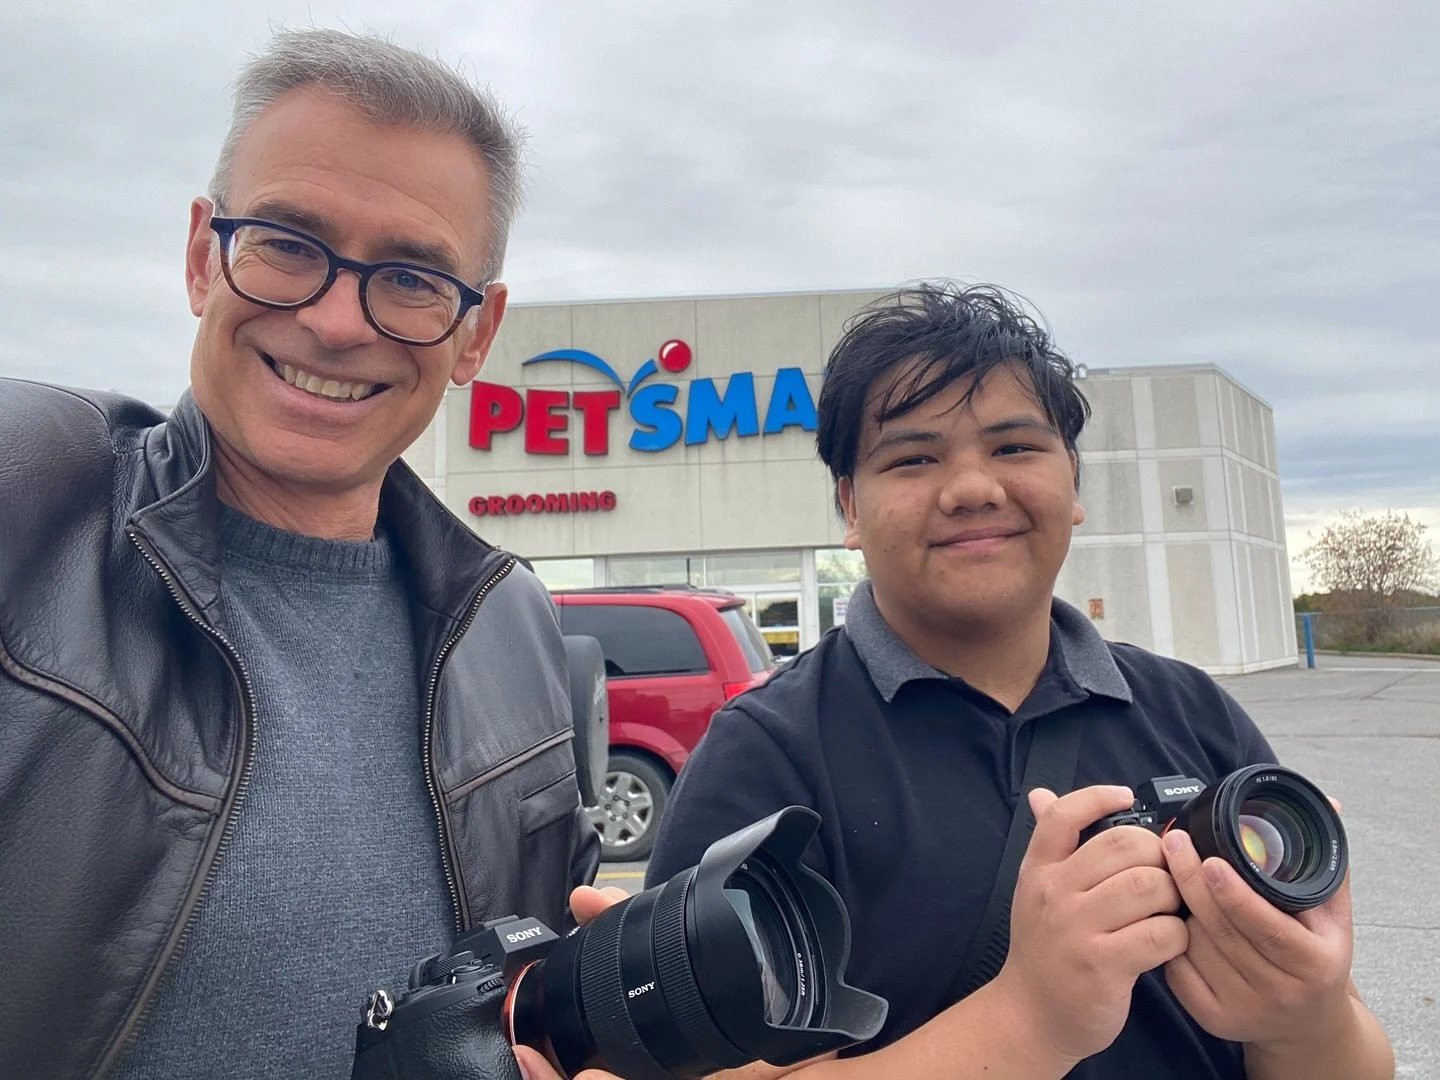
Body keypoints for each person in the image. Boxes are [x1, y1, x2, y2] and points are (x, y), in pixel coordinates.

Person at [0, 30, 606, 1080]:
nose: (333, 322)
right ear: (203, 255)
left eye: (411, 277)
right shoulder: (24, 509)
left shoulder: (510, 624)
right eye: (286, 243)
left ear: (475, 333)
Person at [624, 283, 1394, 1079]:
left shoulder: (1194, 713)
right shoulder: (766, 754)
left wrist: (1307, 1022)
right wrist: (1030, 1019)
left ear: (1074, 483)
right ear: (850, 506)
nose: (972, 489)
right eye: (913, 459)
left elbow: (1349, 1055)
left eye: (1015, 448)